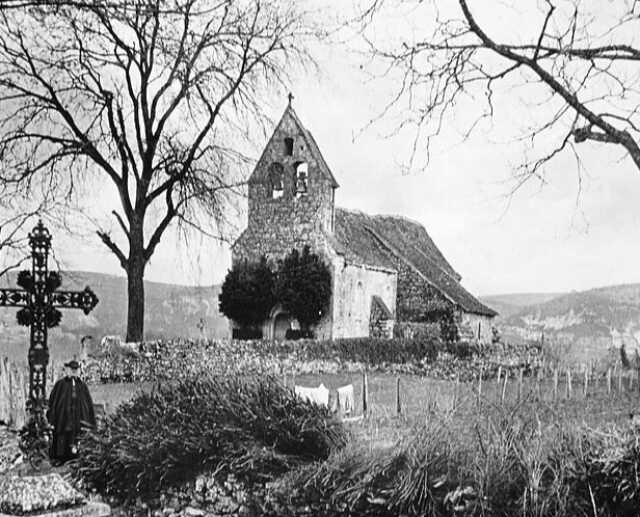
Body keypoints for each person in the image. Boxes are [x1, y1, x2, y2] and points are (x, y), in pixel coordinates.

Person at [47, 359, 96, 464]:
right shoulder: (60, 384)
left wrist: (90, 419)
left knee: (77, 435)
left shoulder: (82, 385)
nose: (74, 371)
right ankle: (61, 458)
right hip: (64, 416)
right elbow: (53, 401)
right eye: (72, 369)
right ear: (67, 370)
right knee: (63, 435)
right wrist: (52, 418)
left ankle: (76, 456)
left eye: (76, 369)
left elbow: (88, 403)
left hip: (78, 416)